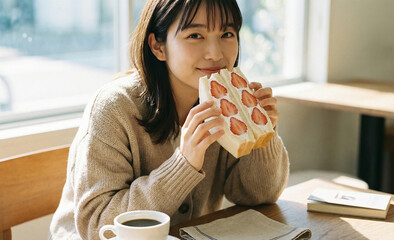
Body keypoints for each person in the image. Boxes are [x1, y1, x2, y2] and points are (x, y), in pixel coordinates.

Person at [49, 0, 289, 239]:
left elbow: (258, 195)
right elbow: (98, 226)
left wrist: (263, 134)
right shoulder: (113, 108)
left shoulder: (226, 102)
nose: (216, 53)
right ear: (158, 46)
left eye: (227, 33)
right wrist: (184, 164)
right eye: (195, 35)